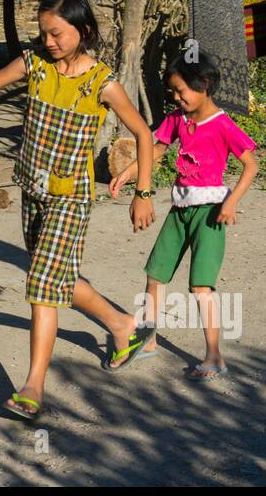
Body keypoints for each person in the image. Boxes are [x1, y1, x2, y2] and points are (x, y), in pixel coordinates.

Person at [0, 0, 157, 420]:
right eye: (43, 33)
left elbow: (144, 135)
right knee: (55, 279)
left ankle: (31, 388)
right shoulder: (34, 65)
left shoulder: (101, 84)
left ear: (82, 30)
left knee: (40, 287)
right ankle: (125, 326)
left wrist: (142, 193)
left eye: (56, 33)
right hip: (33, 191)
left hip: (71, 197)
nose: (48, 41)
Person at [110, 51, 258, 381]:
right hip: (179, 210)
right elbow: (156, 149)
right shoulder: (178, 119)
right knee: (154, 276)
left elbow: (251, 165)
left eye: (181, 91)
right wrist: (128, 173)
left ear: (204, 84)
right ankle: (147, 341)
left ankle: (214, 356)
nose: (177, 98)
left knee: (201, 288)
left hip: (210, 214)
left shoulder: (223, 125)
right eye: (173, 92)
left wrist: (231, 201)